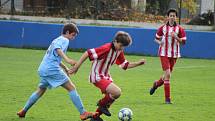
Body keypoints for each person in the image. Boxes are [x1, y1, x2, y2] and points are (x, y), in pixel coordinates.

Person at [17, 23, 96, 120]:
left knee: (40, 90)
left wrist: (65, 68)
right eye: (73, 35)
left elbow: (54, 57)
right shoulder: (64, 40)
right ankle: (83, 113)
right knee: (71, 88)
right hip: (51, 69)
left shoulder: (56, 40)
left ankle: (23, 111)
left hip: (43, 68)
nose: (73, 38)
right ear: (67, 32)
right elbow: (58, 50)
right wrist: (68, 60)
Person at [69, 31, 146, 121]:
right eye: (121, 45)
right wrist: (76, 67)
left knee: (113, 96)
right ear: (115, 41)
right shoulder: (106, 48)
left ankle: (95, 117)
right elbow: (88, 53)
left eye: (124, 47)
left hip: (106, 76)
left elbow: (124, 65)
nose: (122, 48)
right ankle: (101, 105)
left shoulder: (119, 51)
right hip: (97, 76)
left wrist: (138, 63)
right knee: (117, 92)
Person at [149, 8, 187, 104]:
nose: (172, 17)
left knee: (166, 75)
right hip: (164, 54)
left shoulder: (180, 29)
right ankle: (167, 99)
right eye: (171, 15)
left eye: (174, 16)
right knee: (168, 74)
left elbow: (183, 43)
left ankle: (156, 84)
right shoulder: (162, 28)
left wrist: (176, 37)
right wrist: (160, 42)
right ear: (167, 17)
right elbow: (156, 39)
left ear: (176, 17)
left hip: (174, 55)